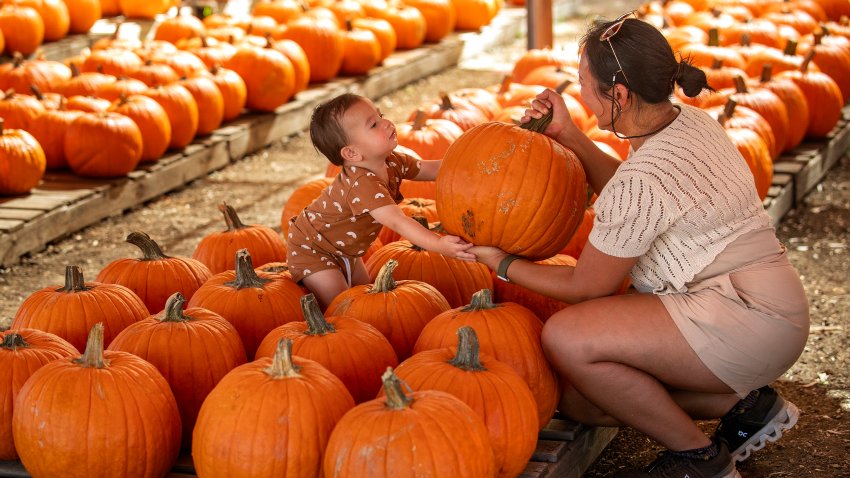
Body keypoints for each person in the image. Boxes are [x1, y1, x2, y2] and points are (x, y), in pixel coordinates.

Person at [469, 12, 810, 478]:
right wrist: (567, 134)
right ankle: (747, 406)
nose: (582, 95)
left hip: (744, 316)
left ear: (620, 95)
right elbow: (634, 195)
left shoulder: (645, 178)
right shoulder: (687, 122)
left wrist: (501, 263)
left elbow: (587, 286)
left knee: (566, 337)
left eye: (585, 84)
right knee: (584, 399)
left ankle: (698, 458)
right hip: (766, 308)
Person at [286, 93, 474, 309]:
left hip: (346, 248)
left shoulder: (391, 162)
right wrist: (438, 244)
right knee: (344, 307)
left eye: (380, 115)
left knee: (365, 298)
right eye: (374, 124)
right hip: (313, 249)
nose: (385, 123)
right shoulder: (362, 183)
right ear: (352, 153)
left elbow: (430, 169)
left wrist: (467, 161)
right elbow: (397, 222)